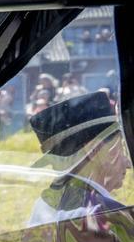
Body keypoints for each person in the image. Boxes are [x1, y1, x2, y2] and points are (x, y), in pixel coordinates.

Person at [27, 91, 130, 226]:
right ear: (94, 150)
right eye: (121, 146)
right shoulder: (108, 216)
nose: (128, 163)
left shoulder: (44, 203)